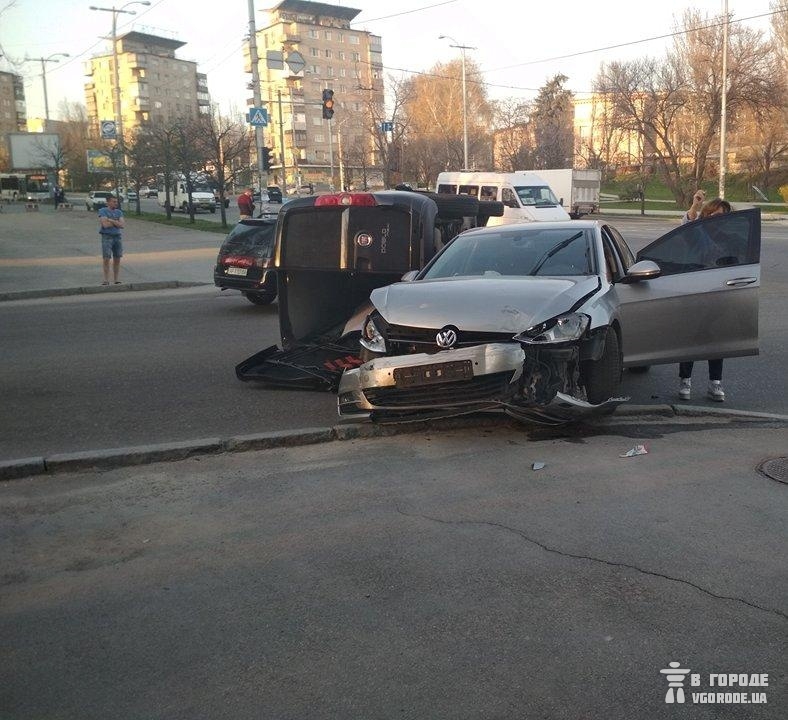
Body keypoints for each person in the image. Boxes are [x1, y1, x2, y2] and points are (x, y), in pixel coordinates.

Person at [678, 197, 732, 402]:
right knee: (691, 336)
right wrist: (695, 205)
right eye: (715, 214)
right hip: (694, 290)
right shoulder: (698, 232)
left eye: (724, 216)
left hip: (718, 292)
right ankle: (685, 380)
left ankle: (715, 383)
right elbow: (687, 223)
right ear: (707, 215)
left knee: (715, 338)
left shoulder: (729, 238)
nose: (720, 219)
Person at [98, 195, 125, 285]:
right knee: (106, 258)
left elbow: (122, 225)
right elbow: (105, 225)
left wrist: (112, 221)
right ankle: (106, 280)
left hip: (117, 237)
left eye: (116, 202)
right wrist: (116, 222)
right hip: (107, 237)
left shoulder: (119, 212)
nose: (116, 203)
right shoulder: (103, 211)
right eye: (114, 202)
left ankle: (116, 279)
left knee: (117, 258)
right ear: (108, 202)